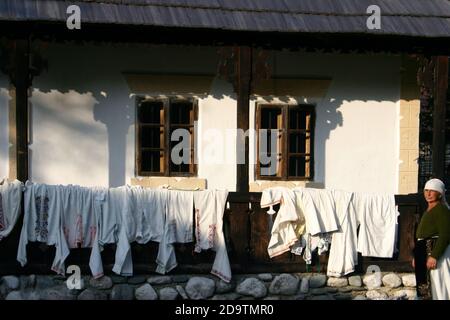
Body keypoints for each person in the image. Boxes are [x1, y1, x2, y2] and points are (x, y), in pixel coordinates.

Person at [412, 178, 450, 300]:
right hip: (423, 250)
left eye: (432, 191)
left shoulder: (442, 209)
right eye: (426, 190)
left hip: (434, 251)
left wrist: (435, 255)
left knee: (437, 282)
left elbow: (445, 234)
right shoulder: (428, 210)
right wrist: (417, 257)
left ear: (439, 193)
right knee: (424, 287)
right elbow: (421, 236)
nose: (428, 194)